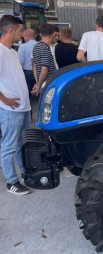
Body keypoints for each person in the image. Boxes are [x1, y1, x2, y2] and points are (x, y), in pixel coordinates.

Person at [0, 15, 31, 195]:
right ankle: (11, 181)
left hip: (23, 108)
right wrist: (4, 99)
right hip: (11, 110)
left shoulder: (12, 51)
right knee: (9, 146)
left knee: (21, 145)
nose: (22, 34)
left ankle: (25, 174)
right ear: (11, 30)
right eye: (20, 31)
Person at [32, 23, 57, 96]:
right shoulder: (45, 48)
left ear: (40, 34)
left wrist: (37, 82)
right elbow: (44, 72)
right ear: (53, 34)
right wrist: (39, 86)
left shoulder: (36, 46)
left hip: (42, 83)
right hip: (48, 84)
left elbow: (35, 65)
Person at [17, 29, 37, 93]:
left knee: (27, 92)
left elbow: (20, 61)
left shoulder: (23, 46)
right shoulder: (40, 45)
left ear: (27, 36)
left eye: (24, 36)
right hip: (39, 72)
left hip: (27, 73)